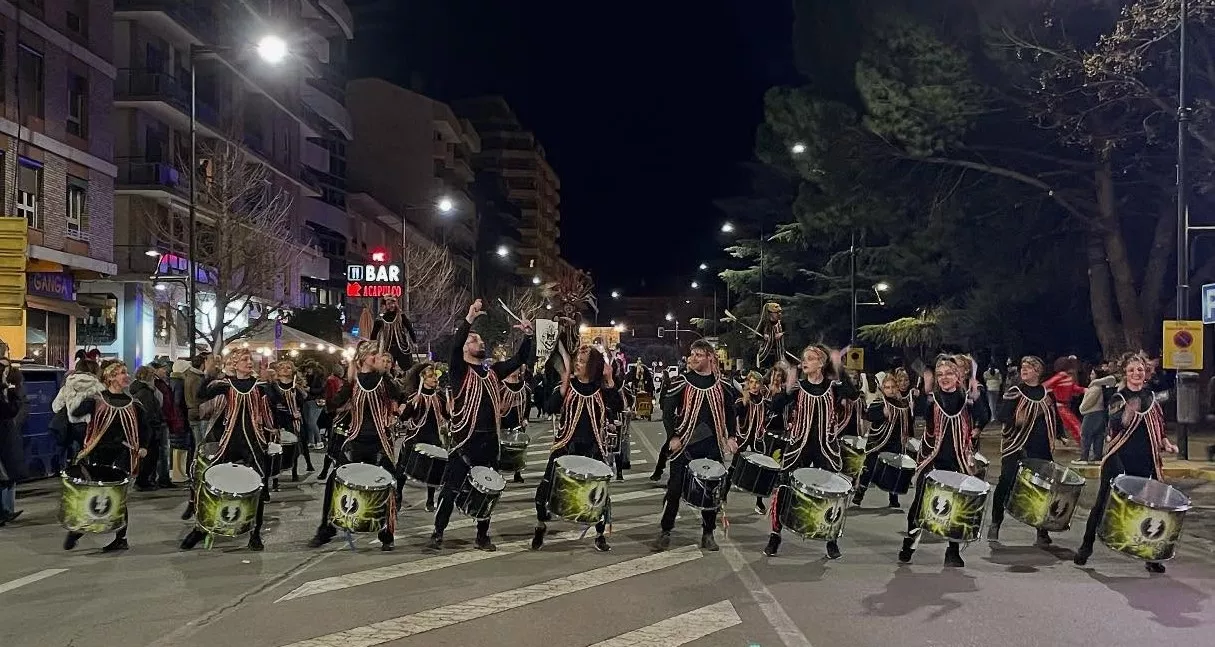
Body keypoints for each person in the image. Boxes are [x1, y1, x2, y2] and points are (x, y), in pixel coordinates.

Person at [427, 299, 533, 552]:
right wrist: (469, 319)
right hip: (465, 441)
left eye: (480, 340)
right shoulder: (459, 371)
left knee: (489, 489)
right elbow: (454, 347)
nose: (480, 342)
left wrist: (528, 335)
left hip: (489, 441)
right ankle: (438, 532)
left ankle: (482, 535)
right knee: (450, 490)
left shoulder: (494, 371)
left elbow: (519, 358)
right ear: (464, 348)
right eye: (474, 340)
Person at [1074, 352, 1179, 573]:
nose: (1136, 373)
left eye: (1140, 370)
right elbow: (1114, 425)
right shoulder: (1118, 397)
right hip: (1119, 458)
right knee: (1102, 503)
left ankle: (1151, 556)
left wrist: (1166, 443)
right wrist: (1126, 415)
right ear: (1125, 373)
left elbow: (1158, 424)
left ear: (1146, 373)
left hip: (1145, 459)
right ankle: (1086, 547)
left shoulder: (1151, 397)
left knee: (1148, 508)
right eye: (1131, 370)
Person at [181, 349, 281, 552]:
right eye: (244, 360)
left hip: (253, 442)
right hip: (229, 441)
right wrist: (208, 374)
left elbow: (276, 400)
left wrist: (269, 380)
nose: (249, 362)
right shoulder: (225, 384)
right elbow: (200, 395)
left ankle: (255, 533)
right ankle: (201, 527)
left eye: (249, 359)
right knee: (208, 480)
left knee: (258, 487)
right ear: (234, 364)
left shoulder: (259, 386)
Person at [763, 344, 857, 559]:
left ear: (821, 363)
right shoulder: (798, 387)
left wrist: (839, 367)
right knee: (785, 487)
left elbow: (852, 394)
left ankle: (831, 538)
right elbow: (774, 406)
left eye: (811, 358)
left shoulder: (833, 386)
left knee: (832, 495)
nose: (804, 362)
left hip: (826, 449)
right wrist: (786, 387)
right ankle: (775, 535)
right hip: (799, 447)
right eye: (803, 358)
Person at [898, 355, 991, 567]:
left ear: (958, 376)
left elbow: (984, 416)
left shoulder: (967, 398)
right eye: (940, 374)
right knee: (920, 503)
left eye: (948, 373)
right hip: (932, 458)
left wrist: (977, 400)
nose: (944, 377)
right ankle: (909, 544)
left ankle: (953, 550)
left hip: (957, 458)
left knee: (957, 505)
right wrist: (926, 386)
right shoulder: (932, 398)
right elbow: (919, 412)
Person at [309, 342, 404, 550]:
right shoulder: (353, 382)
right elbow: (333, 403)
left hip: (380, 442)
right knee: (334, 481)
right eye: (373, 355)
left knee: (390, 485)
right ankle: (326, 528)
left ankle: (386, 533)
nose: (377, 358)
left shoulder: (384, 381)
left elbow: (399, 395)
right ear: (363, 359)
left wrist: (385, 373)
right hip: (356, 440)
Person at [532, 345, 622, 552]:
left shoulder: (601, 389)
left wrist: (610, 381)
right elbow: (549, 408)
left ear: (593, 366)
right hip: (565, 444)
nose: (577, 365)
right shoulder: (569, 385)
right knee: (545, 489)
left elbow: (617, 407)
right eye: (577, 361)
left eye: (582, 362)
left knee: (599, 495)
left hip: (593, 447)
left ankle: (600, 535)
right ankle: (540, 525)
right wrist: (562, 388)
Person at [655, 340, 740, 552]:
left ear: (710, 357)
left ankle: (708, 533)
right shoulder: (681, 382)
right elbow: (667, 412)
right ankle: (665, 531)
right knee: (674, 489)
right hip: (685, 444)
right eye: (691, 355)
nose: (692, 359)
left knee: (711, 490)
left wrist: (731, 436)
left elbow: (730, 412)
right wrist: (673, 436)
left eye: (698, 355)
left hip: (711, 446)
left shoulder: (723, 385)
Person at [64, 361, 152, 551]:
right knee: (93, 493)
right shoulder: (98, 399)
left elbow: (145, 427)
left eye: (126, 372)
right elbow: (75, 412)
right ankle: (78, 530)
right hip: (99, 452)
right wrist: (83, 392)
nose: (126, 375)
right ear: (110, 377)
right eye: (121, 373)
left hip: (123, 454)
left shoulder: (133, 403)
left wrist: (143, 446)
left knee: (118, 496)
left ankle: (121, 538)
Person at [987, 356, 1062, 544]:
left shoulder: (1047, 394)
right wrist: (1016, 420)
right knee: (1005, 482)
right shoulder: (1016, 392)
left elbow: (1055, 418)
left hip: (1041, 447)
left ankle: (1041, 529)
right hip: (1016, 445)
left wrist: (1060, 435)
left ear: (1038, 371)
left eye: (1029, 367)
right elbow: (1002, 415)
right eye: (1023, 367)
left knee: (1043, 488)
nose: (1024, 370)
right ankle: (996, 522)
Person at [854, 370, 913, 508]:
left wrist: (907, 437)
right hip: (878, 441)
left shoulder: (903, 405)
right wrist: (882, 413)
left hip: (895, 442)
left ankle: (893, 498)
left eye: (893, 387)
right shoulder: (879, 402)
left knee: (894, 470)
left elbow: (907, 423)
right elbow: (868, 415)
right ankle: (859, 494)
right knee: (869, 468)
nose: (891, 390)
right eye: (887, 387)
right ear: (882, 389)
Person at [400, 361, 448, 512]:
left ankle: (429, 500)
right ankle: (397, 495)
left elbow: (447, 415)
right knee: (402, 466)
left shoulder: (440, 397)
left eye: (435, 375)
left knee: (435, 468)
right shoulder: (416, 396)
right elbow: (404, 418)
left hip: (433, 436)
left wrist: (449, 409)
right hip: (415, 435)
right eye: (431, 376)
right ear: (423, 379)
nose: (435, 378)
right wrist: (410, 406)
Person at [730, 370, 769, 513]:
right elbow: (733, 413)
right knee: (734, 466)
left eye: (757, 382)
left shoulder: (763, 401)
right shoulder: (742, 401)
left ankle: (759, 502)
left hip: (757, 438)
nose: (754, 385)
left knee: (761, 470)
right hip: (743, 437)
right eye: (751, 382)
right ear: (747, 383)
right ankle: (722, 496)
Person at [268, 360, 308, 486]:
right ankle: (275, 477)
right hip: (278, 420)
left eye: (288, 368)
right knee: (276, 447)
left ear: (293, 371)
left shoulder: (296, 387)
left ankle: (294, 472)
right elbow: (272, 404)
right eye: (282, 368)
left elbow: (302, 402)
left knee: (294, 446)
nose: (285, 370)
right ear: (278, 371)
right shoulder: (274, 386)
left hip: (293, 421)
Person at [130, 366, 169, 491]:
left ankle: (145, 480)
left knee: (151, 456)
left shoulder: (145, 391)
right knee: (150, 456)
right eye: (152, 375)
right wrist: (156, 424)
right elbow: (149, 412)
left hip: (151, 428)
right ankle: (143, 481)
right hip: (151, 428)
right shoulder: (145, 392)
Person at [0, 356, 26, 526]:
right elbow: (9, 411)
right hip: (4, 434)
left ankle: (5, 511)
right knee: (4, 476)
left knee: (6, 476)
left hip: (6, 436)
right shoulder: (5, 390)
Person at [1077, 367, 1117, 464]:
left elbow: (1088, 402)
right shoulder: (1101, 387)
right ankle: (1097, 457)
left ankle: (1084, 458)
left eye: (1092, 374)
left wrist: (1081, 409)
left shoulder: (1095, 388)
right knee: (1098, 436)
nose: (1090, 376)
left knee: (1086, 435)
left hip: (1091, 413)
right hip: (1100, 414)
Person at [371, 295, 419, 374]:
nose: (392, 306)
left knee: (408, 369)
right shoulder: (380, 319)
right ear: (385, 305)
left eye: (393, 303)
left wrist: (414, 342)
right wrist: (372, 348)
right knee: (387, 370)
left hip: (402, 347)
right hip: (388, 348)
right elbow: (373, 335)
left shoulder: (401, 316)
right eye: (389, 304)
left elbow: (410, 328)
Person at [500, 365, 531, 483]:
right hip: (503, 420)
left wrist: (525, 418)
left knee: (518, 448)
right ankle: (500, 471)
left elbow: (527, 404)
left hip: (518, 421)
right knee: (502, 448)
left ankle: (517, 472)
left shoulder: (525, 388)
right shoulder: (501, 387)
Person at [1043, 357, 1085, 444]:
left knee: (1072, 425)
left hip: (1063, 405)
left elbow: (1072, 388)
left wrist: (1084, 390)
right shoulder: (1065, 376)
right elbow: (1046, 385)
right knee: (1074, 425)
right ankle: (1084, 444)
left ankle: (1083, 445)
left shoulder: (1063, 376)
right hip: (1062, 405)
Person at [755, 303, 787, 370]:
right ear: (770, 313)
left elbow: (788, 332)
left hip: (778, 353)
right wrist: (764, 336)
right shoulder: (764, 323)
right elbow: (757, 335)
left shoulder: (781, 323)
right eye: (776, 312)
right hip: (766, 353)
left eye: (779, 312)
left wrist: (781, 334)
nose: (779, 314)